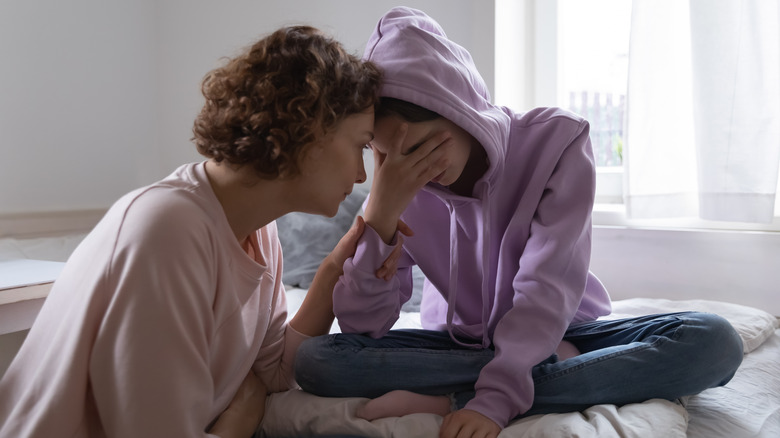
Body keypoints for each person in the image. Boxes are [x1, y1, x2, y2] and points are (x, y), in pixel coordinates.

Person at [293, 7, 745, 438]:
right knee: (317, 361)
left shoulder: (557, 144)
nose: (416, 170)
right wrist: (379, 219)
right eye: (387, 154)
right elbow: (362, 329)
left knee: (715, 341)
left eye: (427, 146)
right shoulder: (398, 186)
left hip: (566, 329)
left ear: (459, 109)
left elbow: (544, 287)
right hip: (459, 344)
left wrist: (493, 399)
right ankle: (550, 375)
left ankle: (452, 395)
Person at [0, 25, 399, 438]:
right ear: (309, 127)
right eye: (361, 146)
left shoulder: (260, 235)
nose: (359, 173)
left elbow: (277, 371)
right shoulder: (168, 230)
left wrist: (336, 267)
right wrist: (240, 422)